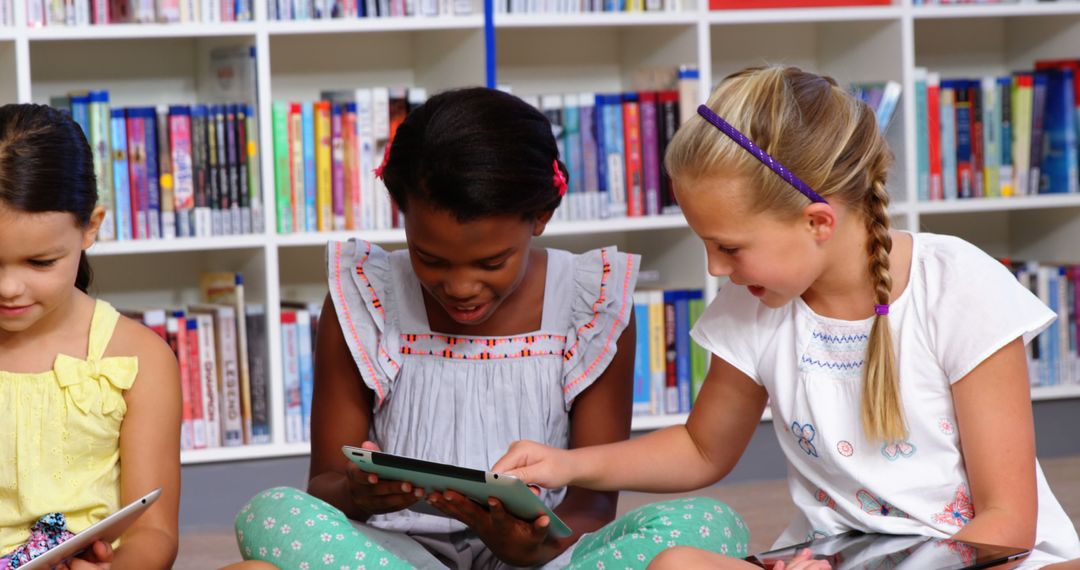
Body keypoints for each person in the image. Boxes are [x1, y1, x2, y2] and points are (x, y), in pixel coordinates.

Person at [492, 66, 1080, 569]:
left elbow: (1007, 522)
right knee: (675, 564)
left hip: (974, 556)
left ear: (817, 222)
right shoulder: (755, 303)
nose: (716, 270)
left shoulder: (956, 284)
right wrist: (565, 463)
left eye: (729, 247)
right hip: (831, 557)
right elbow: (701, 449)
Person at [234, 87, 749, 569]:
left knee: (708, 526)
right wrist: (357, 493)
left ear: (541, 215)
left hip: (546, 555)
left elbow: (593, 507)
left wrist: (530, 549)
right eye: (429, 258)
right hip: (397, 552)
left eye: (491, 262)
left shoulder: (591, 301)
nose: (459, 287)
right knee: (272, 512)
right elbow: (323, 484)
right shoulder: (364, 297)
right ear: (401, 215)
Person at [0, 103, 181, 569]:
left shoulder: (137, 357)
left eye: (40, 263)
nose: (8, 288)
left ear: (90, 228)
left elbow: (153, 531)